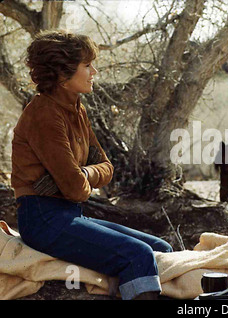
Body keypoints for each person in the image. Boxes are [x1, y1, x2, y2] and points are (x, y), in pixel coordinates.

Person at [11, 30, 172, 300]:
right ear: (63, 75)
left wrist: (85, 172)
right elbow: (76, 190)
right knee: (138, 254)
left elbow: (106, 168)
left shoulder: (77, 109)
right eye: (87, 65)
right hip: (43, 220)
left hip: (69, 215)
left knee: (160, 247)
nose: (94, 71)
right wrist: (78, 180)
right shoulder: (44, 114)